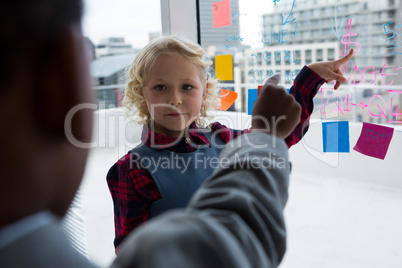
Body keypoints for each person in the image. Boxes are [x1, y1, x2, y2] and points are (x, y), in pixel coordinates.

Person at [106, 36, 354, 250]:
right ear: (141, 96)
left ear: (204, 95)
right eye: (160, 87)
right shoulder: (131, 170)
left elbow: (277, 136)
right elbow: (132, 253)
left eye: (187, 87)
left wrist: (309, 79)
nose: (175, 98)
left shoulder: (222, 138)